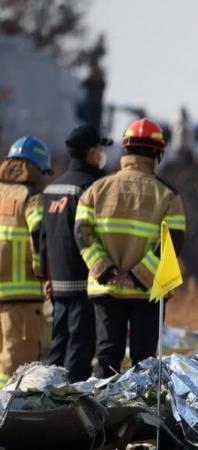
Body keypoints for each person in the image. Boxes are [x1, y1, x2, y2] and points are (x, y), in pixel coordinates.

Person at [75, 118, 186, 378]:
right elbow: (173, 242)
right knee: (144, 362)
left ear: (126, 151)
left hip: (105, 288)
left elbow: (81, 232)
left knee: (107, 357)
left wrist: (107, 271)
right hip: (147, 291)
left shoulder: (95, 190)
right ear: (158, 153)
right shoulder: (168, 195)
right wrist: (137, 276)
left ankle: (102, 414)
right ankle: (138, 414)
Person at [42, 125, 110, 382]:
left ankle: (45, 398)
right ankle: (68, 407)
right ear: (92, 152)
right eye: (100, 149)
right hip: (86, 283)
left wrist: (46, 278)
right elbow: (96, 235)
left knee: (57, 349)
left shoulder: (51, 190)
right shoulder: (92, 187)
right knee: (79, 353)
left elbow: (42, 238)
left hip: (57, 284)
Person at [0, 136, 51, 384]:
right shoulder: (32, 197)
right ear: (38, 168)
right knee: (16, 366)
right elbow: (39, 234)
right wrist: (44, 271)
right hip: (22, 300)